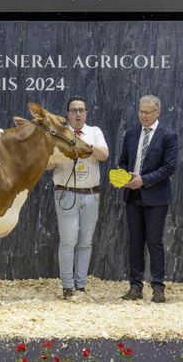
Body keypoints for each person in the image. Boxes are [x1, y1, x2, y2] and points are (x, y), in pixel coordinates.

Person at [118, 95, 177, 303]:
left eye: (147, 112)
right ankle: (135, 287)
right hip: (132, 196)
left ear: (157, 112)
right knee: (135, 243)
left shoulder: (168, 135)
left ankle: (158, 287)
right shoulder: (131, 133)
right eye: (140, 111)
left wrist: (143, 180)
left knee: (154, 242)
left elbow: (169, 168)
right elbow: (124, 160)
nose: (143, 115)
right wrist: (123, 175)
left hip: (156, 198)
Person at [49, 96, 109, 300]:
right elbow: (46, 164)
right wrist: (64, 151)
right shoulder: (58, 133)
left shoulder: (94, 132)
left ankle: (81, 287)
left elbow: (104, 155)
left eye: (81, 110)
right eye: (73, 110)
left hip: (91, 194)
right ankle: (67, 288)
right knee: (68, 242)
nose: (77, 114)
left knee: (85, 242)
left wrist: (84, 147)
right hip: (66, 193)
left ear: (86, 113)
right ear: (67, 114)